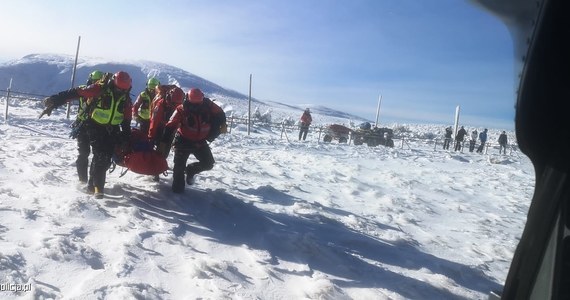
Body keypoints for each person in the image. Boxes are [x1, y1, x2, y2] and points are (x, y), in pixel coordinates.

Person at [41, 71, 133, 199]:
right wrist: (54, 100)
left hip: (113, 129)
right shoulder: (99, 89)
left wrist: (126, 134)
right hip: (94, 125)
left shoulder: (126, 98)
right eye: (118, 89)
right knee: (99, 155)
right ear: (113, 83)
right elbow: (75, 92)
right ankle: (97, 189)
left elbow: (127, 118)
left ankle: (92, 184)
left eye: (123, 90)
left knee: (105, 159)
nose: (120, 92)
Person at [162, 88, 226, 193]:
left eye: (198, 104)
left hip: (200, 141)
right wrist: (164, 141)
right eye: (193, 104)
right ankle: (177, 193)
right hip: (183, 140)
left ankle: (191, 170)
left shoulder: (209, 106)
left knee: (208, 163)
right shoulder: (181, 109)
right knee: (179, 167)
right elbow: (170, 125)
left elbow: (221, 114)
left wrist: (220, 126)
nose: (195, 107)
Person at [70, 70, 104, 184]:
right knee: (84, 153)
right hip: (83, 125)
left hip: (97, 126)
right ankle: (83, 180)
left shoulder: (103, 93)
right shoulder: (84, 90)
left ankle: (92, 180)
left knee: (97, 155)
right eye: (95, 81)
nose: (96, 84)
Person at [147, 84, 185, 181]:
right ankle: (155, 171)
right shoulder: (160, 105)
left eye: (178, 104)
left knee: (165, 151)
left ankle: (157, 168)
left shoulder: (180, 106)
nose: (176, 107)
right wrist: (151, 136)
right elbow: (154, 121)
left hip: (171, 129)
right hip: (160, 128)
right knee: (159, 150)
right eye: (174, 104)